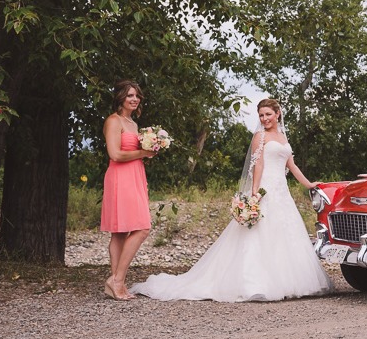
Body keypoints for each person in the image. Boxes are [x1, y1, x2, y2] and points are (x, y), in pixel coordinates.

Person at [130, 98, 332, 302]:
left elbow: (292, 166)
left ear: (277, 114)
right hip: (266, 189)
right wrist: (255, 192)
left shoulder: (282, 137)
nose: (264, 119)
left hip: (282, 192)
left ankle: (290, 282)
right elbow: (258, 165)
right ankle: (257, 283)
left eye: (268, 114)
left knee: (285, 233)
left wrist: (309, 184)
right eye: (261, 115)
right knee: (259, 235)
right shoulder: (259, 136)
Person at [100, 80, 156, 300]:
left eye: (137, 96)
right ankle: (117, 280)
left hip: (135, 176)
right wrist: (144, 153)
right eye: (130, 95)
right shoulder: (114, 121)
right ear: (120, 97)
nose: (134, 99)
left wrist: (146, 154)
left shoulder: (132, 123)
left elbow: (133, 153)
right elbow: (115, 154)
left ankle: (117, 284)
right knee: (142, 228)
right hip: (119, 177)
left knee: (121, 231)